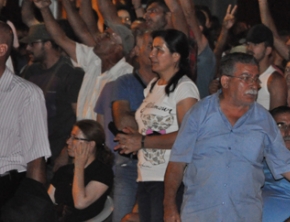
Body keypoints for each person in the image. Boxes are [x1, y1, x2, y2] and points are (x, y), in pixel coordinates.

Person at [163, 53, 290, 222]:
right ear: (225, 81)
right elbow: (177, 162)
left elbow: (286, 164)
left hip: (244, 214)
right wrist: (169, 204)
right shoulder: (199, 113)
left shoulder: (264, 120)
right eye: (246, 78)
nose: (254, 85)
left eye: (256, 79)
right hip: (201, 213)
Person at [115, 29, 199, 222]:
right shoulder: (153, 85)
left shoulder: (184, 88)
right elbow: (156, 128)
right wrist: (134, 136)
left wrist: (142, 141)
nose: (151, 54)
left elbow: (189, 136)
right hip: (146, 174)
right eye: (152, 49)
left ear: (176, 56)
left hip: (170, 178)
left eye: (159, 50)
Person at [32, 0, 134, 120]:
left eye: (107, 35)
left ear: (119, 47)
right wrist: (45, 10)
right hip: (82, 137)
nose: (101, 36)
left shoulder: (126, 75)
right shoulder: (93, 59)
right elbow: (60, 38)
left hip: (104, 138)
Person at [20, 24, 84, 178]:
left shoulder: (70, 73)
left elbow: (79, 116)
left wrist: (65, 152)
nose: (28, 48)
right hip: (32, 153)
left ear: (48, 44)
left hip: (56, 152)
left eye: (33, 44)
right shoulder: (30, 71)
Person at [0, 21, 51, 213]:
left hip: (7, 193)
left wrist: (32, 210)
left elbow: (36, 158)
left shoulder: (26, 94)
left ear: (2, 49)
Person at [108, 29, 157, 222]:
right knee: (123, 217)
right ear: (136, 51)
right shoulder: (124, 82)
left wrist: (135, 117)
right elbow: (123, 122)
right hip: (129, 164)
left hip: (158, 166)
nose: (155, 52)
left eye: (159, 48)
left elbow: (178, 126)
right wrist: (158, 126)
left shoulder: (169, 85)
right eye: (150, 46)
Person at [48, 120, 114, 221]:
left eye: (74, 138)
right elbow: (48, 201)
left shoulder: (102, 172)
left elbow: (80, 203)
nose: (68, 142)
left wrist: (79, 165)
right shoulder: (64, 171)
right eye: (70, 137)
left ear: (90, 145)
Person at [246, 24, 287, 109]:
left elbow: (276, 117)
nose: (250, 48)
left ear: (268, 50)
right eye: (248, 44)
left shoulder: (275, 80)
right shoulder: (245, 74)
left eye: (255, 44)